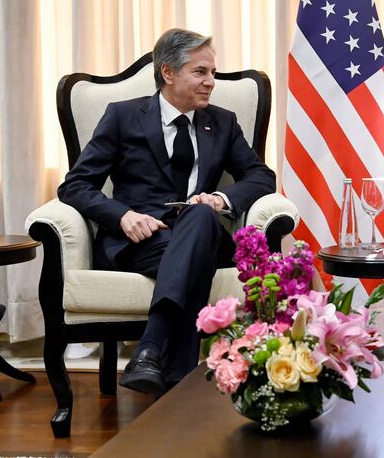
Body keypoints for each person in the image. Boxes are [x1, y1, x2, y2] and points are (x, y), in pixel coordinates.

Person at [58, 28, 276, 396]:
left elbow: (261, 175)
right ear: (168, 72)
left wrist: (220, 200)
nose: (211, 82)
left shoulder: (222, 122)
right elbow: (74, 185)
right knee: (195, 260)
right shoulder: (123, 117)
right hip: (140, 242)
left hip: (201, 232)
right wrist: (122, 215)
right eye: (200, 72)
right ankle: (177, 384)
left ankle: (149, 349)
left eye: (212, 73)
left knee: (203, 217)